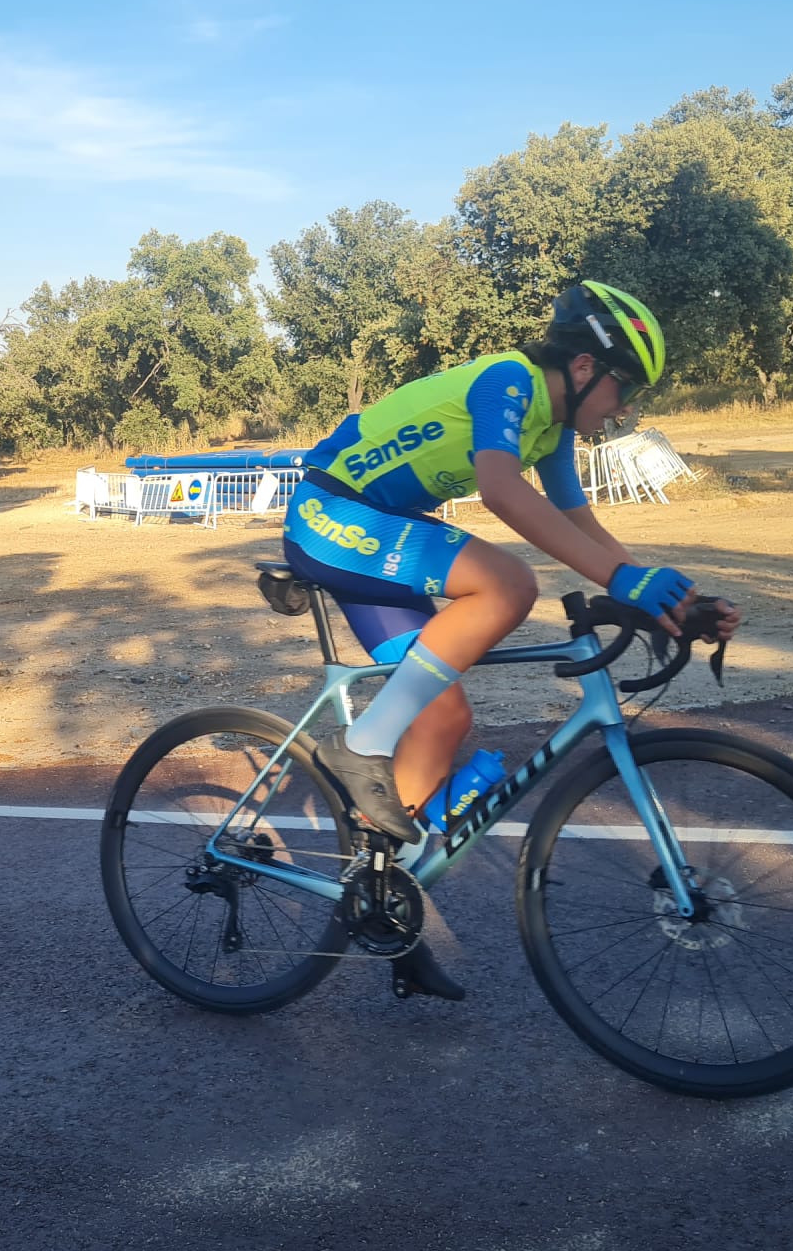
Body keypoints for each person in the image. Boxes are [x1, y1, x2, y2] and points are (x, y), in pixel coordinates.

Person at [286, 278, 742, 859]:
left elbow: (578, 520)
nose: (625, 408)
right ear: (584, 368)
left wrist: (671, 601)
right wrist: (619, 580)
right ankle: (361, 744)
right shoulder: (508, 381)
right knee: (507, 583)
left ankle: (380, 878)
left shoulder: (551, 428)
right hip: (333, 514)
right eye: (624, 386)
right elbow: (502, 491)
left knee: (441, 716)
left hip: (377, 531)